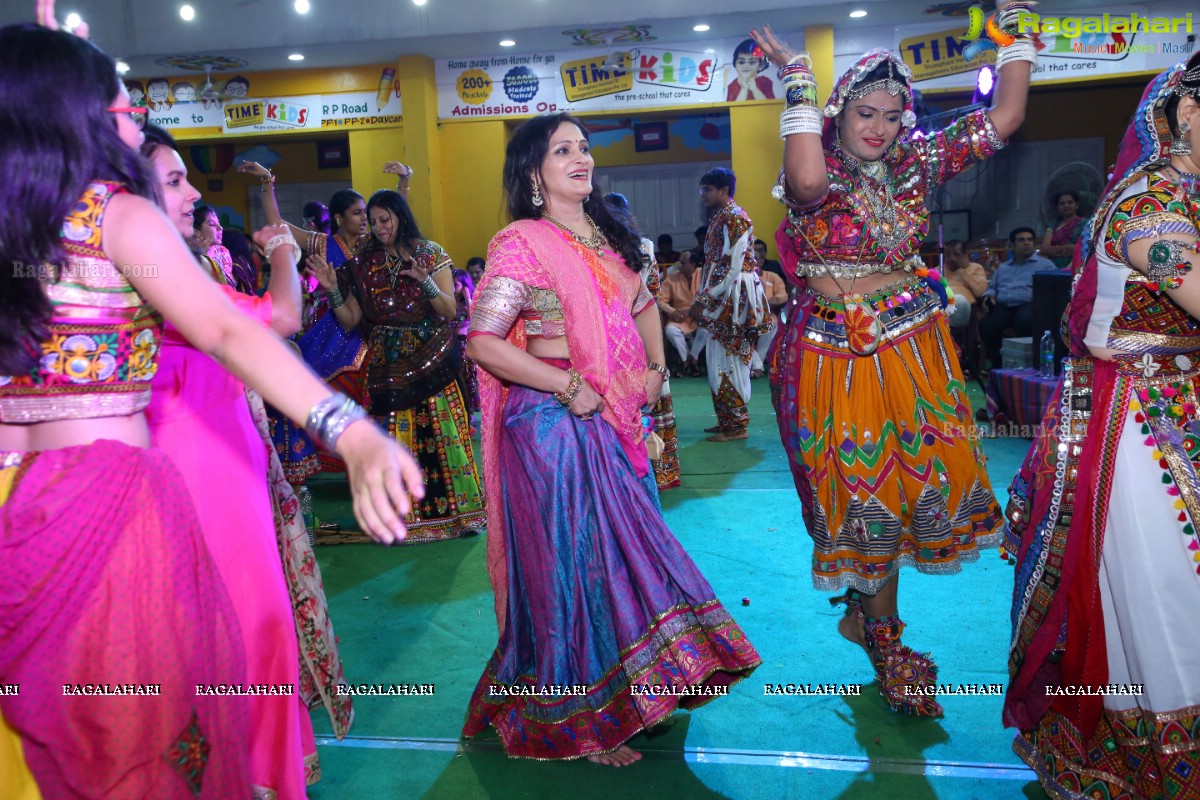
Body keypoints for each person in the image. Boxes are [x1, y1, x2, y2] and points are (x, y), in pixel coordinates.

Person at [0, 19, 421, 797]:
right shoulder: (115, 216)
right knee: (138, 746)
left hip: (14, 510)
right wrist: (347, 428)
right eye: (124, 111)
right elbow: (228, 327)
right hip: (105, 508)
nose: (133, 124)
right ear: (73, 115)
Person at [751, 9, 1030, 715]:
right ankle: (880, 633)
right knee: (862, 495)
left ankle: (866, 617)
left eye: (892, 114)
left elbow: (1007, 113)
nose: (878, 126)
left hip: (913, 350)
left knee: (908, 498)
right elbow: (809, 185)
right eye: (864, 112)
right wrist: (798, 82)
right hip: (838, 355)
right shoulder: (815, 161)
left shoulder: (918, 160)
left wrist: (1018, 29)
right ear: (838, 113)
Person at [462, 112, 761, 766]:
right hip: (551, 424)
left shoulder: (606, 238)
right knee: (572, 567)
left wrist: (655, 372)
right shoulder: (521, 241)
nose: (581, 157)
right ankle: (585, 718)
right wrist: (566, 387)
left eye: (585, 147)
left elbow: (644, 303)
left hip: (616, 418)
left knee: (624, 559)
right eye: (562, 149)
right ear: (533, 174)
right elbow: (484, 341)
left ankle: (635, 691)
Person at [1004, 51, 1200, 800]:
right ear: (1186, 115)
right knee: (1166, 603)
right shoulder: (1146, 207)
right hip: (1138, 433)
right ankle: (1152, 764)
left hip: (1180, 414)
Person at [141, 125, 353, 797]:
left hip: (218, 450)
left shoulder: (165, 268)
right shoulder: (155, 270)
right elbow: (282, 316)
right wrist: (284, 247)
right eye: (174, 181)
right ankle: (245, 775)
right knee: (242, 623)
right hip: (198, 464)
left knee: (241, 628)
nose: (194, 194)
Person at [313, 189, 486, 542]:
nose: (377, 228)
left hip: (433, 360)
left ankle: (455, 516)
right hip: (386, 369)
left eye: (384, 220)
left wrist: (422, 279)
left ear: (400, 216)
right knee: (394, 438)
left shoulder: (429, 252)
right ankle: (399, 516)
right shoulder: (363, 262)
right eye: (372, 221)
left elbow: (450, 311)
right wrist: (332, 289)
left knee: (440, 436)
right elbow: (350, 320)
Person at [240, 161, 372, 485]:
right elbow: (278, 226)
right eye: (357, 213)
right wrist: (267, 185)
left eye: (365, 212)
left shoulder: (374, 246)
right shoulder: (326, 244)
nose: (365, 219)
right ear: (339, 218)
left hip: (370, 328)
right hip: (333, 330)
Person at [606, 191, 681, 490]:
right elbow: (652, 292)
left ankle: (634, 473)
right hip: (640, 329)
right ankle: (661, 471)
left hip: (620, 332)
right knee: (650, 395)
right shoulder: (642, 246)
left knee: (635, 396)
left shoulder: (606, 248)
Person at [691, 167, 771, 442]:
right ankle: (727, 421)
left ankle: (737, 426)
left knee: (731, 359)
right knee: (717, 358)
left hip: (735, 296)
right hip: (722, 293)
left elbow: (731, 266)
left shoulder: (735, 218)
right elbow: (714, 265)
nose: (702, 194)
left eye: (707, 189)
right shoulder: (720, 217)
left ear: (723, 190)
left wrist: (704, 298)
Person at [978, 226, 1058, 371]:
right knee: (987, 325)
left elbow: (1051, 290)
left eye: (1029, 240)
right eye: (1021, 240)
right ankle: (999, 366)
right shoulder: (1003, 267)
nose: (1026, 243)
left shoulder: (1045, 266)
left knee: (1025, 321)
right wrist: (988, 296)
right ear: (1013, 244)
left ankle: (1027, 366)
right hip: (1003, 306)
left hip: (1029, 305)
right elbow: (992, 288)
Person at [658, 249, 706, 376]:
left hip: (700, 317)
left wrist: (696, 311)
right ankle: (687, 361)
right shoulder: (672, 278)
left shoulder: (703, 275)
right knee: (670, 330)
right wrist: (673, 312)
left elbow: (712, 297)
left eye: (683, 263)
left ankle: (692, 359)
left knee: (708, 328)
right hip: (680, 319)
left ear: (693, 265)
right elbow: (661, 300)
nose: (680, 265)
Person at [751, 262, 789, 379]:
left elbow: (783, 296)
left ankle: (758, 365)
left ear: (761, 260)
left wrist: (772, 302)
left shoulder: (771, 277)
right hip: (742, 318)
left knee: (769, 326)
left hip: (765, 315)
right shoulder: (740, 276)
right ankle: (757, 365)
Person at [943, 239, 988, 329]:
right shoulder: (939, 269)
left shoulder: (976, 268)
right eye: (948, 255)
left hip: (961, 309)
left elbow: (980, 292)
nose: (951, 258)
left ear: (965, 255)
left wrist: (963, 270)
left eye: (956, 254)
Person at [1040, 189, 1088, 270]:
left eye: (1070, 202)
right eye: (1062, 203)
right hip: (1051, 267)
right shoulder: (1053, 225)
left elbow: (1085, 249)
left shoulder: (1085, 224)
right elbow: (1044, 249)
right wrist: (1068, 248)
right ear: (1058, 207)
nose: (1066, 205)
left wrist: (1055, 250)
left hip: (1076, 266)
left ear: (1077, 205)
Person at [726, 38, 775, 102]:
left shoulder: (765, 82)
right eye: (741, 62)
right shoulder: (732, 85)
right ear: (735, 64)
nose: (746, 66)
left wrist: (754, 89)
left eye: (752, 62)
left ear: (761, 66)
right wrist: (744, 89)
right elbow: (733, 108)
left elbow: (769, 106)